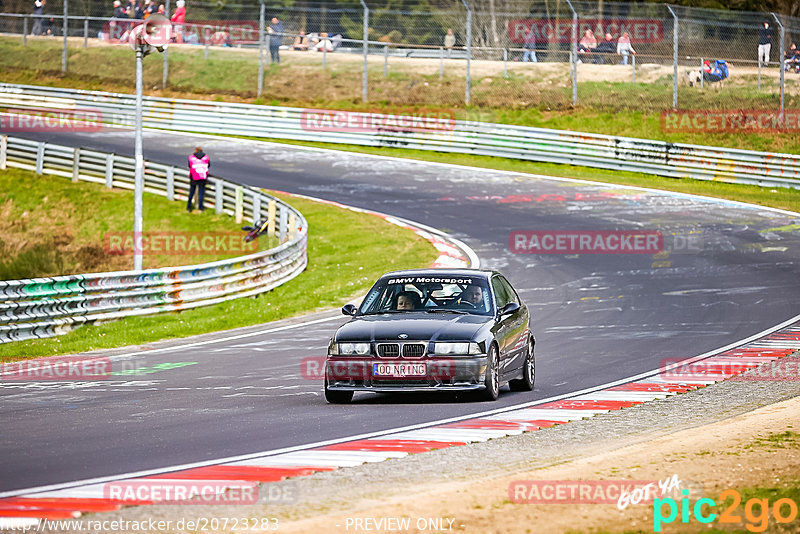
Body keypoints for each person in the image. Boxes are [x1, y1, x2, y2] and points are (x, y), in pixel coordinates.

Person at [187, 146, 209, 212]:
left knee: (191, 193)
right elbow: (208, 165)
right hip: (202, 177)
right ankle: (200, 208)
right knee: (201, 193)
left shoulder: (191, 158)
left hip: (193, 176)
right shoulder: (206, 157)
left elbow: (189, 166)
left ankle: (188, 207)